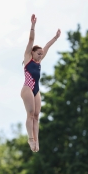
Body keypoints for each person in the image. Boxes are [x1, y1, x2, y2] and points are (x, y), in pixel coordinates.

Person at [21, 14, 61, 152]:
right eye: (38, 53)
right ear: (32, 53)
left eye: (41, 54)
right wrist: (33, 25)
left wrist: (55, 37)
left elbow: (47, 46)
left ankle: (36, 141)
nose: (41, 55)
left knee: (37, 115)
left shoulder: (39, 62)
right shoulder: (28, 58)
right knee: (30, 113)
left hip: (36, 89)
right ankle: (30, 139)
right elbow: (31, 39)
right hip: (27, 88)